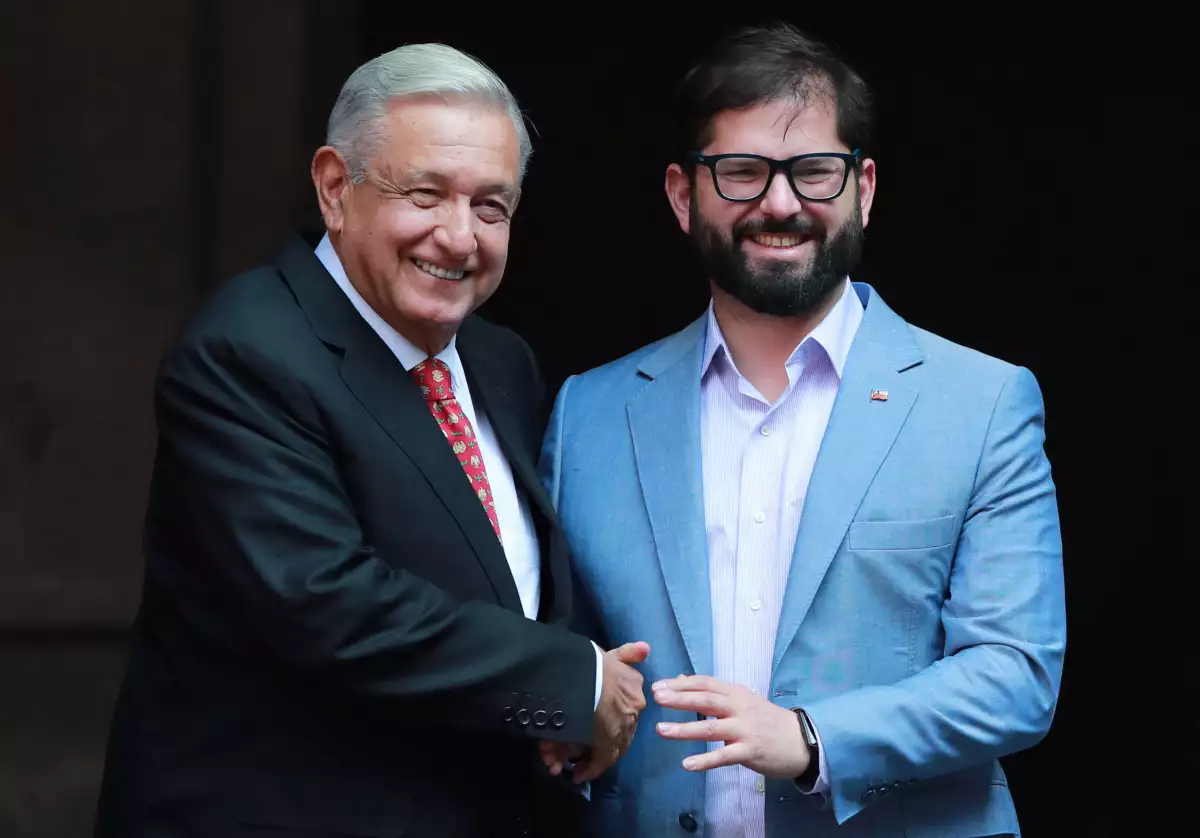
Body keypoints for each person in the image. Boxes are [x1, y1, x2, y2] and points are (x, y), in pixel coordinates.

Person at [94, 43, 648, 838]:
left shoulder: (500, 361)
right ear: (333, 187)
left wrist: (557, 705)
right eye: (426, 194)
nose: (459, 236)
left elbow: (501, 581)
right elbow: (327, 605)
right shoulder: (246, 352)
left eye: (491, 206)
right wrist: (576, 682)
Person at [540, 24, 1065, 838]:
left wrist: (813, 739)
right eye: (742, 172)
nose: (780, 204)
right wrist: (565, 716)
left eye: (814, 171)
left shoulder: (982, 402)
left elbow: (1016, 674)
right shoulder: (589, 413)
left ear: (864, 188)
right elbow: (555, 661)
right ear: (682, 195)